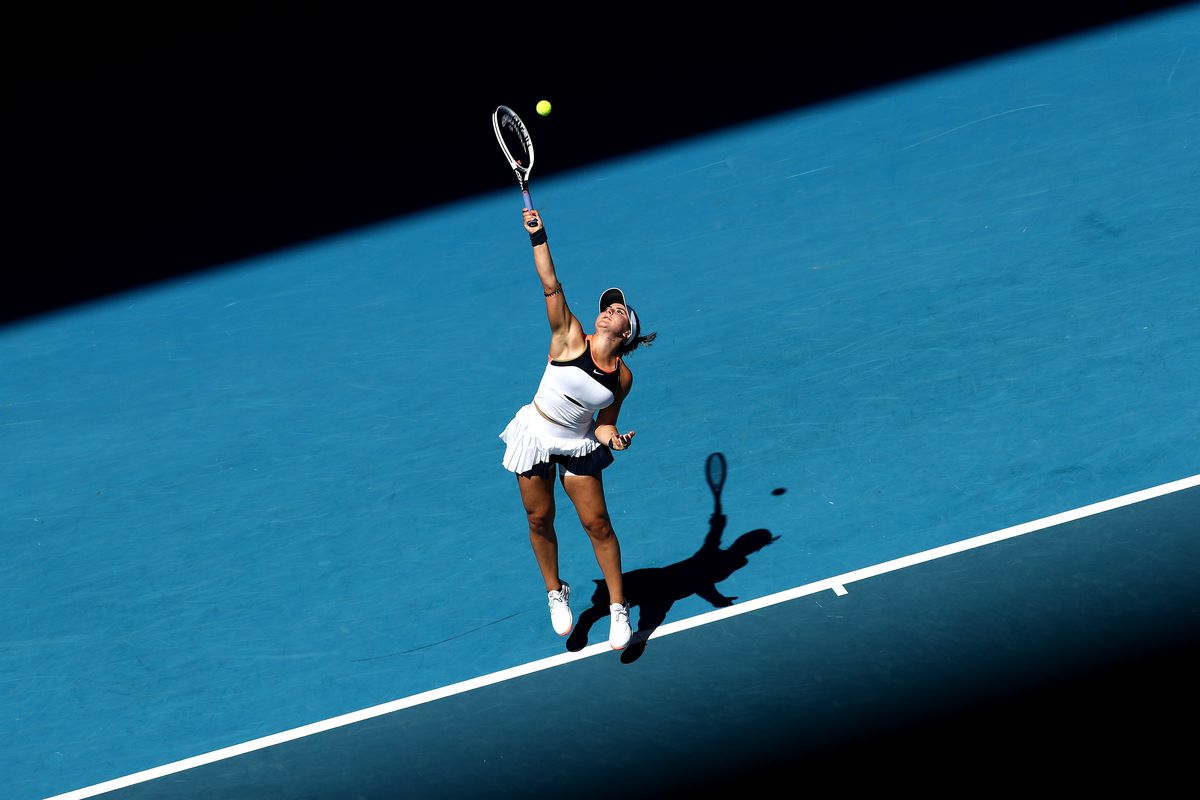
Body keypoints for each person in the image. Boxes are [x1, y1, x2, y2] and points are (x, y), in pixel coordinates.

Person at [499, 207, 656, 651]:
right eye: (607, 307)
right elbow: (551, 283)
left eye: (619, 310)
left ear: (627, 332)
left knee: (598, 524)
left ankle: (618, 606)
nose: (608, 312)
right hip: (536, 433)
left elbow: (605, 424)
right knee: (538, 518)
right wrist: (538, 236)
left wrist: (615, 439)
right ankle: (556, 590)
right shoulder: (568, 335)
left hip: (577, 443)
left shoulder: (622, 377)